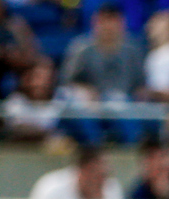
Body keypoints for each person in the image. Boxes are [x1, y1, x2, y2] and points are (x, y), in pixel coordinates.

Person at [59, 3, 147, 143]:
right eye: (104, 21)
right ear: (95, 22)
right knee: (76, 106)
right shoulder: (81, 48)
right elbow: (66, 82)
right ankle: (94, 148)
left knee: (120, 105)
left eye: (113, 21)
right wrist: (85, 90)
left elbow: (141, 85)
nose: (108, 26)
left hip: (123, 103)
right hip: (91, 103)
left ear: (122, 23)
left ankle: (131, 149)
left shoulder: (132, 50)